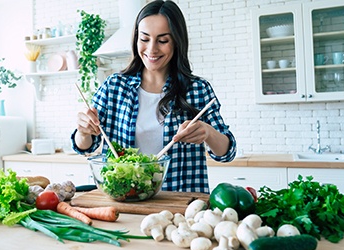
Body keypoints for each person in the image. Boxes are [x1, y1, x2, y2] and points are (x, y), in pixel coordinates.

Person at [71, 0, 236, 193]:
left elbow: (227, 152)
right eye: (145, 39)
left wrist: (208, 133)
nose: (152, 49)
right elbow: (86, 147)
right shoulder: (114, 86)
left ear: (177, 41)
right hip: (124, 201)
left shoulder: (197, 89)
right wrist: (83, 132)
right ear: (136, 39)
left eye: (163, 40)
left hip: (180, 204)